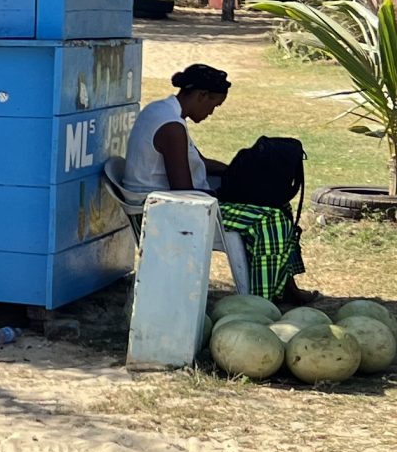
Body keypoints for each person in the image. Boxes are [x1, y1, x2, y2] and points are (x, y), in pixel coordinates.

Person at [122, 63, 305, 301]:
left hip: (172, 202)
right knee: (270, 221)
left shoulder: (162, 111)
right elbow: (184, 193)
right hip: (169, 211)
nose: (211, 113)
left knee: (278, 203)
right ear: (201, 96)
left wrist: (238, 173)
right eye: (213, 105)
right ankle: (260, 301)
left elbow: (198, 161)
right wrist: (225, 194)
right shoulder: (171, 127)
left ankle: (287, 285)